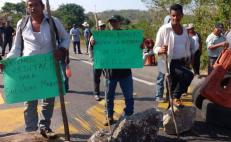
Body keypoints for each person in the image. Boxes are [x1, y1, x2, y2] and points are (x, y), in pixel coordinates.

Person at [5, 0, 69, 139]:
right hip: (29, 70)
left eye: (36, 5)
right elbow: (16, 48)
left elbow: (65, 38)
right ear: (27, 7)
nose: (33, 8)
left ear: (43, 7)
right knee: (29, 103)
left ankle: (45, 127)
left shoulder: (53, 21)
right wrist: (7, 61)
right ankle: (30, 132)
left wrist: (62, 49)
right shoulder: (22, 23)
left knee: (48, 101)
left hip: (49, 67)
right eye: (30, 5)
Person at [154, 4, 194, 107]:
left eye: (178, 15)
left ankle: (173, 104)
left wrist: (188, 57)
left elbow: (187, 45)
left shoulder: (184, 30)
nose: (175, 18)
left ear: (182, 15)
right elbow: (155, 48)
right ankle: (175, 99)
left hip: (182, 62)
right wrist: (160, 50)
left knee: (174, 87)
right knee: (188, 75)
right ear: (170, 15)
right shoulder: (164, 29)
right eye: (173, 15)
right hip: (169, 63)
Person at [102, 15, 134, 126]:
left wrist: (139, 44)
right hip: (110, 73)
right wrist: (93, 42)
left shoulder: (127, 35)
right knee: (109, 97)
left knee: (128, 96)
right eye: (111, 22)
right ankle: (109, 116)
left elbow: (135, 47)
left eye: (115, 22)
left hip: (125, 72)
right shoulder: (104, 37)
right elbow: (96, 49)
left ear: (120, 22)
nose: (113, 24)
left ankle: (128, 115)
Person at [154, 15, 171, 103]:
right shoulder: (161, 31)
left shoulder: (176, 31)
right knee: (161, 78)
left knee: (171, 80)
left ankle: (170, 96)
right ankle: (158, 96)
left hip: (172, 61)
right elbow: (155, 48)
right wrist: (160, 50)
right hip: (163, 60)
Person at [89, 20, 106, 101]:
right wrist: (92, 60)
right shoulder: (93, 37)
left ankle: (108, 93)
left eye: (103, 26)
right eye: (101, 26)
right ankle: (96, 93)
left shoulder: (108, 36)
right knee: (97, 78)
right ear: (98, 27)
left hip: (107, 61)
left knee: (107, 78)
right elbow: (90, 48)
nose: (102, 28)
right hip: (97, 61)